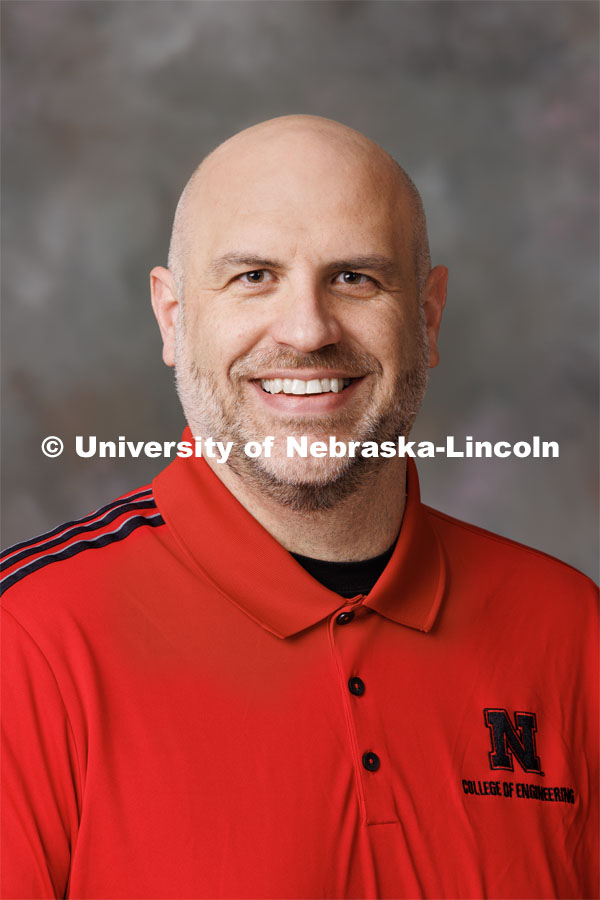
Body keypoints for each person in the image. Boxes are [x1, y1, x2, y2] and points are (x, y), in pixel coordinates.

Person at [1, 115, 597, 900]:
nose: (308, 330)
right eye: (253, 276)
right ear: (174, 318)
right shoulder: (27, 644)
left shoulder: (570, 628)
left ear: (427, 316)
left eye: (354, 277)